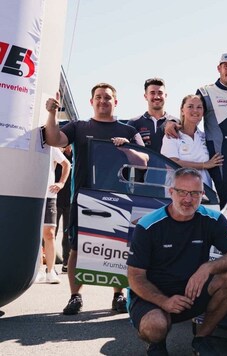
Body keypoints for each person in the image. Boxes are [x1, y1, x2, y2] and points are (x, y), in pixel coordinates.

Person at [44, 84, 144, 315]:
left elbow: (144, 162)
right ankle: (75, 296)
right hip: (83, 197)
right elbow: (53, 139)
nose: (103, 101)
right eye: (98, 97)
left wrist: (127, 149)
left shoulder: (128, 130)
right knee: (77, 249)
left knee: (118, 249)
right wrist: (51, 113)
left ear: (115, 102)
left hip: (119, 199)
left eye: (107, 98)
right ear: (91, 102)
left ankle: (118, 295)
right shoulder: (78, 126)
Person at [127, 168, 227, 355]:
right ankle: (156, 344)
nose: (188, 199)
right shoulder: (147, 225)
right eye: (182, 192)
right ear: (170, 192)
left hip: (192, 291)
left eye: (194, 193)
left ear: (203, 195)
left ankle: (201, 339)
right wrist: (164, 302)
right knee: (155, 327)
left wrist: (207, 268)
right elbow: (135, 278)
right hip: (154, 295)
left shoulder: (213, 219)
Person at [164, 52, 227, 207]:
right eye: (226, 66)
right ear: (219, 68)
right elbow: (192, 111)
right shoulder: (206, 91)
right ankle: (226, 230)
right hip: (221, 153)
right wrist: (171, 122)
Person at [161, 95, 223, 189]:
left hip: (204, 194)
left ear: (203, 113)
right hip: (178, 194)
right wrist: (204, 165)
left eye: (199, 107)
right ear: (182, 111)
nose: (195, 110)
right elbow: (172, 163)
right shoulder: (172, 135)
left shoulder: (205, 137)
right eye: (190, 106)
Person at [36, 147, 71, 284]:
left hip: (50, 196)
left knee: (49, 234)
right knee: (36, 234)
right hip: (32, 195)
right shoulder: (28, 145)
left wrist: (61, 183)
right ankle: (38, 270)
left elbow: (66, 164)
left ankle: (50, 271)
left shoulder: (51, 148)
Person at [127, 78, 179, 153]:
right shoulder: (134, 123)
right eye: (152, 93)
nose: (156, 97)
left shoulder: (176, 122)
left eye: (160, 93)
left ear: (166, 95)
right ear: (145, 96)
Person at [55, 145, 73, 273]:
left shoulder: (75, 157)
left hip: (70, 201)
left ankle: (66, 262)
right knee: (51, 232)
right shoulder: (57, 155)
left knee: (68, 234)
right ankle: (48, 263)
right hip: (56, 199)